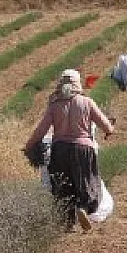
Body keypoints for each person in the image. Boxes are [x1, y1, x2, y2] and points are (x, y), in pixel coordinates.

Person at [25, 68, 116, 231]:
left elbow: (41, 130)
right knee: (87, 180)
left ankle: (68, 223)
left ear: (61, 84)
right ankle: (83, 207)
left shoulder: (54, 105)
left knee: (63, 186)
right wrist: (109, 131)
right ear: (77, 83)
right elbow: (106, 125)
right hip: (83, 148)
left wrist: (29, 146)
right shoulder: (86, 102)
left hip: (59, 149)